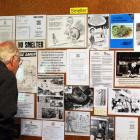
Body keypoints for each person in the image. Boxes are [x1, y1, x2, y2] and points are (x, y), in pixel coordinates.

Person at [0, 41, 21, 140]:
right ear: (13, 59)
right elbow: (6, 114)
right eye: (19, 60)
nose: (19, 65)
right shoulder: (8, 77)